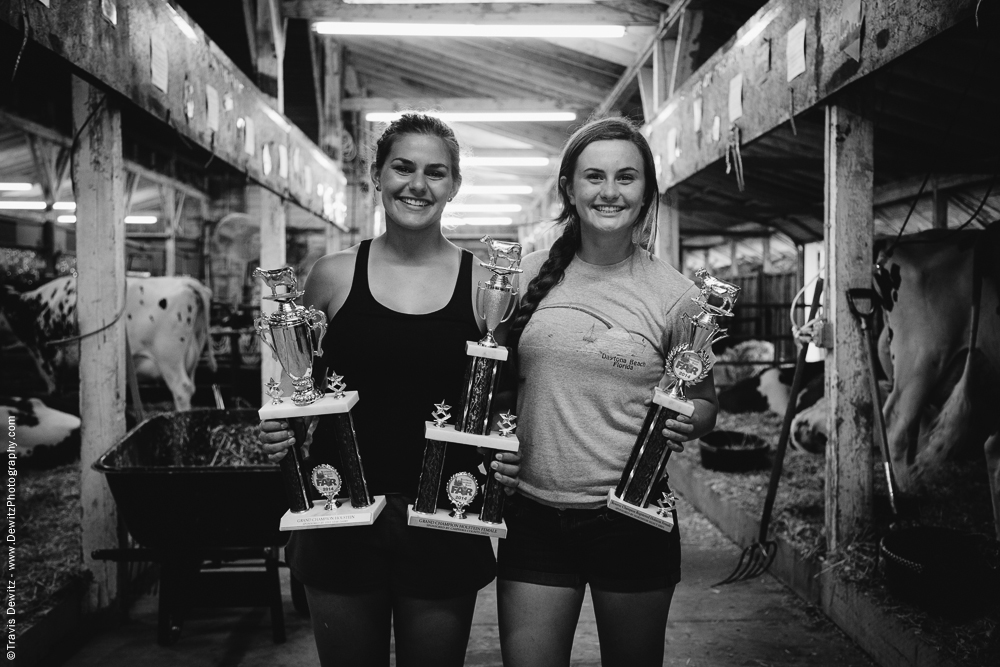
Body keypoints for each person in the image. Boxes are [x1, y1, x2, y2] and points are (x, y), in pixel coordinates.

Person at [258, 113, 520, 667]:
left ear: (454, 186)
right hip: (340, 514)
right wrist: (281, 428)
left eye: (436, 172)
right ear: (376, 176)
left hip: (445, 518)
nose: (417, 185)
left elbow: (502, 401)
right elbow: (296, 385)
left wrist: (509, 454)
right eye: (402, 167)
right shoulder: (331, 276)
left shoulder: (483, 286)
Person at [496, 116, 720, 667]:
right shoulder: (522, 279)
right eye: (594, 176)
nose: (610, 191)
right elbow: (493, 387)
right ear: (569, 188)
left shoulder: (678, 296)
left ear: (647, 192)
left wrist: (694, 417)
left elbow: (708, 400)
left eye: (627, 177)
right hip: (534, 516)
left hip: (634, 518)